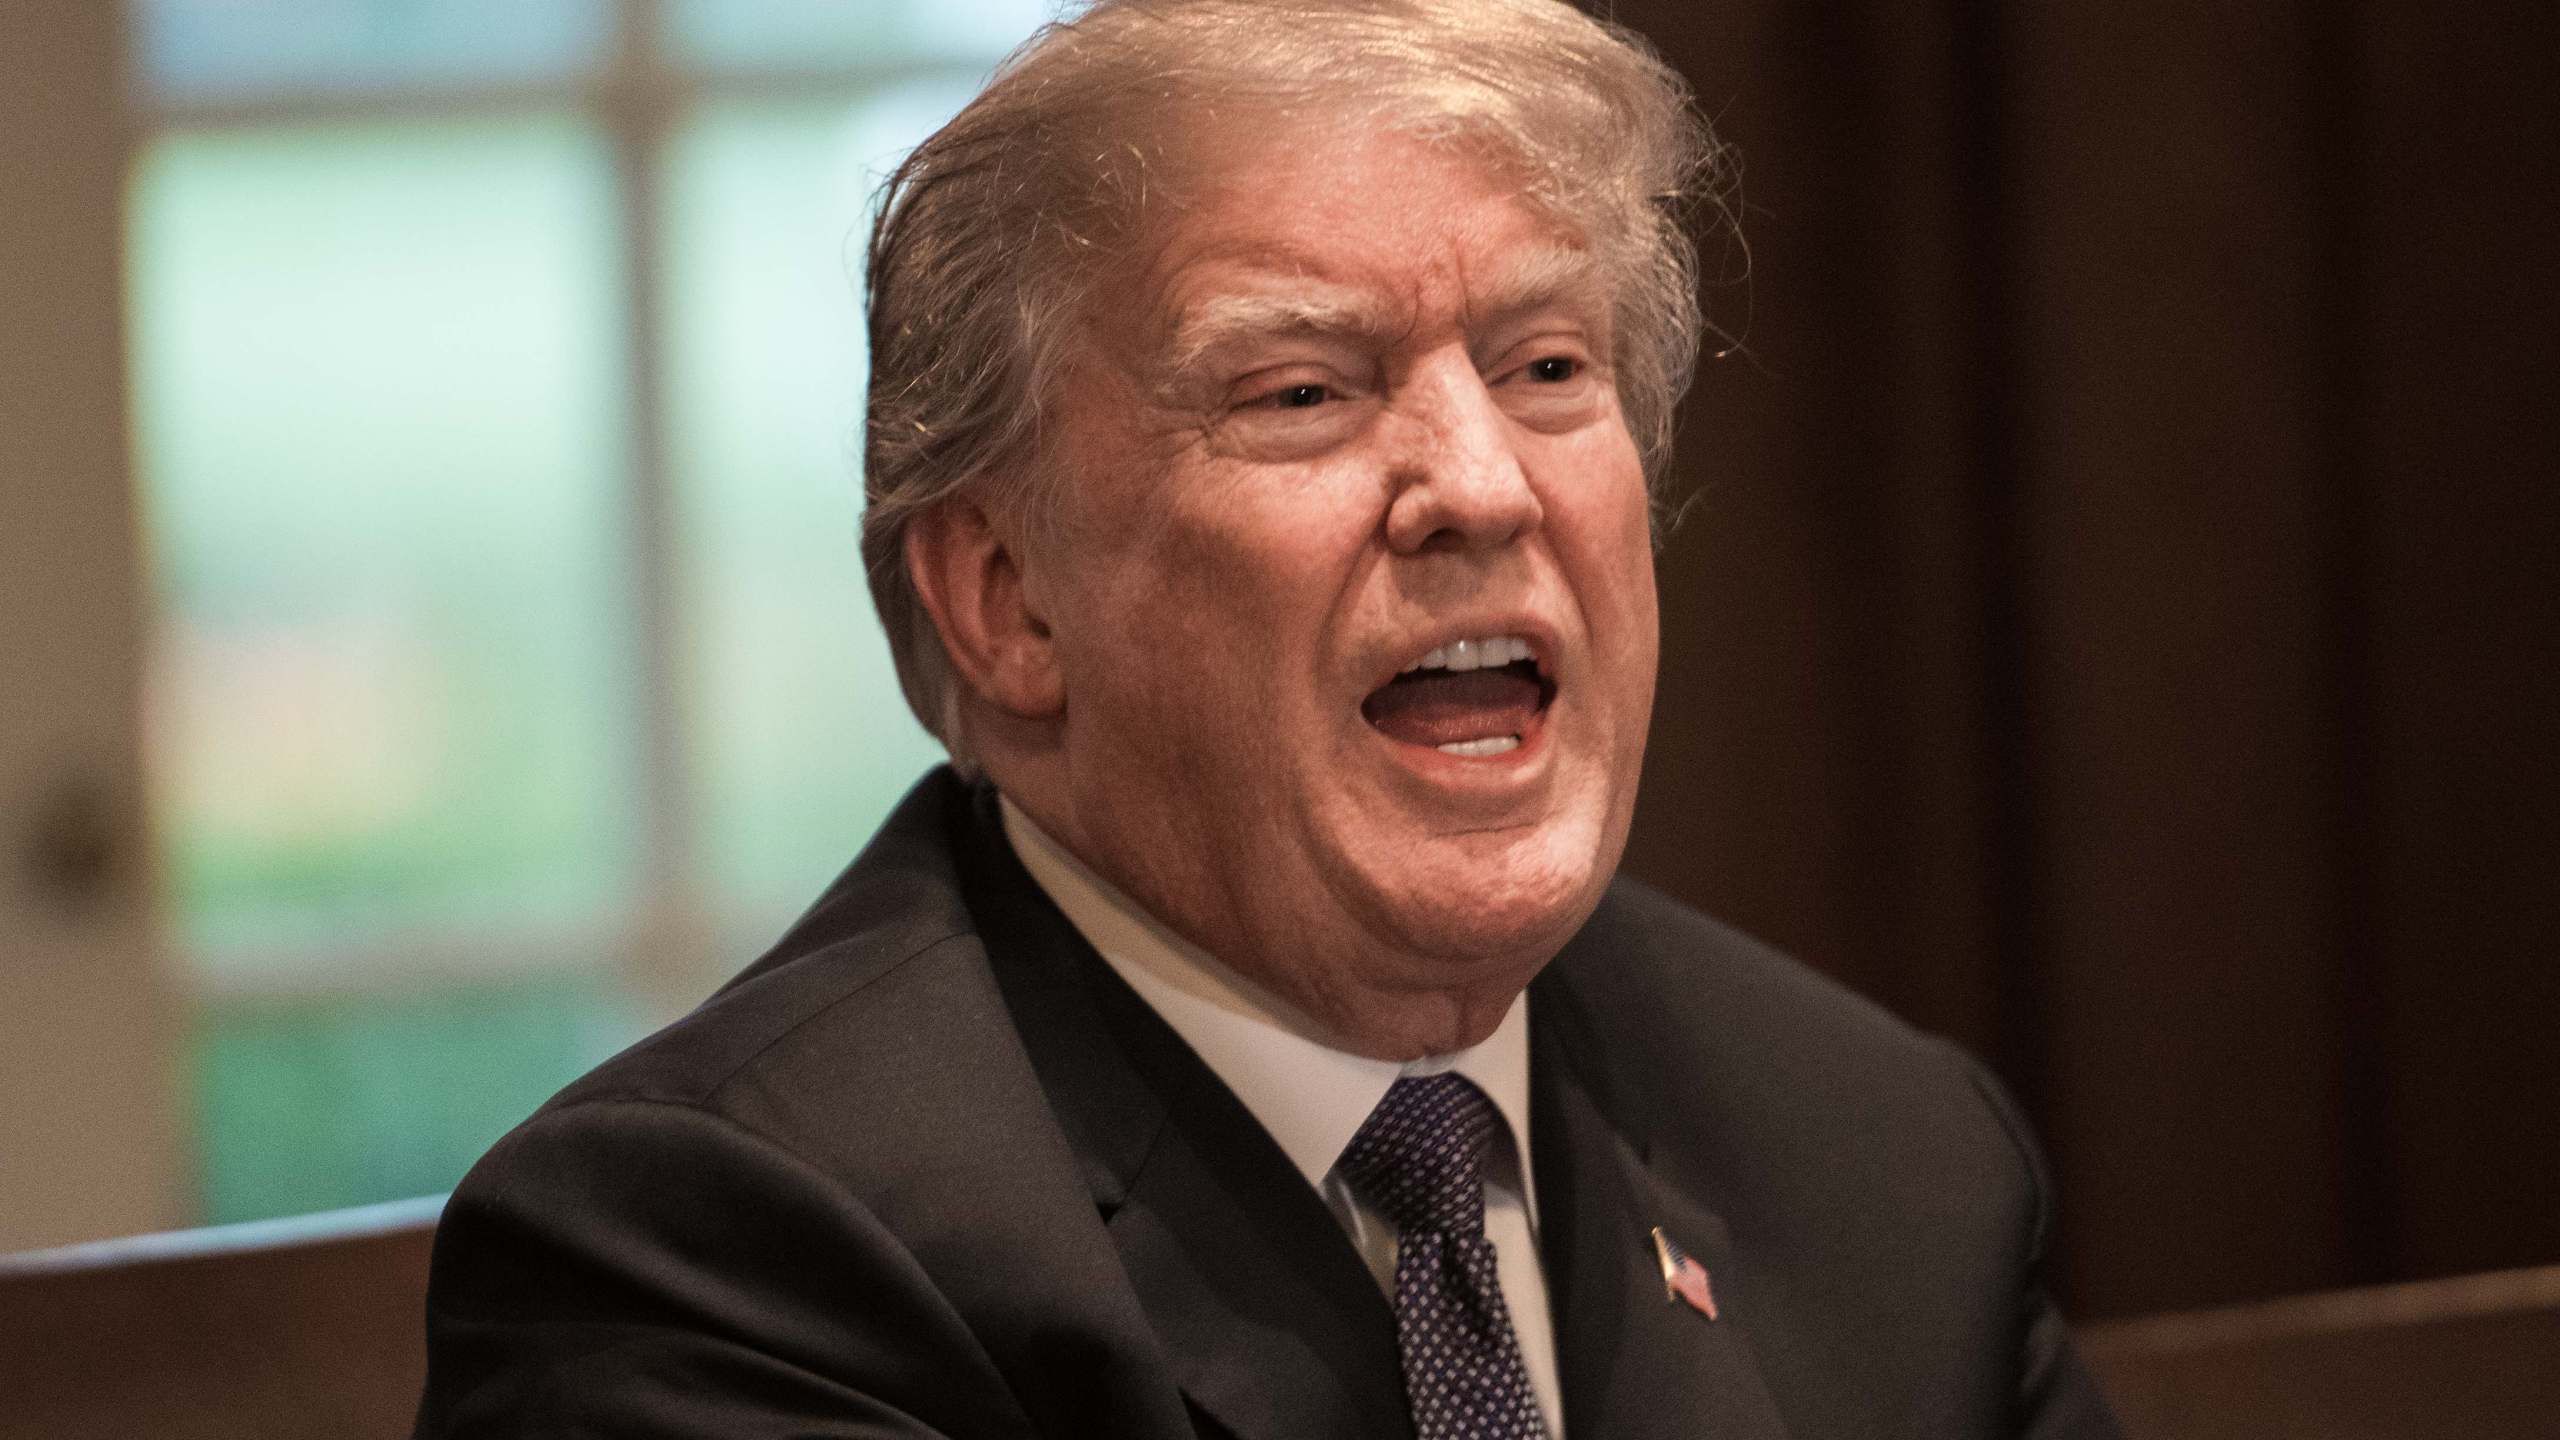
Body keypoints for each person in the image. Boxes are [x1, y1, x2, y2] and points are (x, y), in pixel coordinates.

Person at [414, 1, 2123, 1435]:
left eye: (1547, 369)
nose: (1478, 485)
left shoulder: (1888, 1157)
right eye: (1303, 391)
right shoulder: (719, 1265)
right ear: (1008, 597)